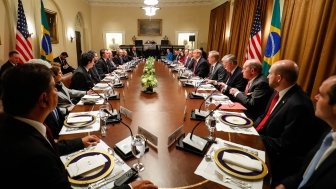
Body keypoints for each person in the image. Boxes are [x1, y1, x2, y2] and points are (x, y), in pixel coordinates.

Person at [0, 63, 157, 189]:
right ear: (44, 99)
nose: (57, 90)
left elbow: (51, 145)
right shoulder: (35, 157)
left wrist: (79, 142)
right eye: (54, 87)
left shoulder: (15, 126)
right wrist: (129, 188)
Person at [254, 60, 328, 185]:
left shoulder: (299, 105)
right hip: (263, 140)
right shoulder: (277, 92)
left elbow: (285, 145)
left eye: (270, 73)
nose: (266, 76)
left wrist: (254, 137)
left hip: (274, 159)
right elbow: (265, 116)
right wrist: (250, 128)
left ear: (279, 78)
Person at [276, 75, 336, 189]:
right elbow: (305, 172)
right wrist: (285, 184)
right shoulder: (329, 132)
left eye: (322, 95)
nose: (315, 97)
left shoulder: (299, 104)